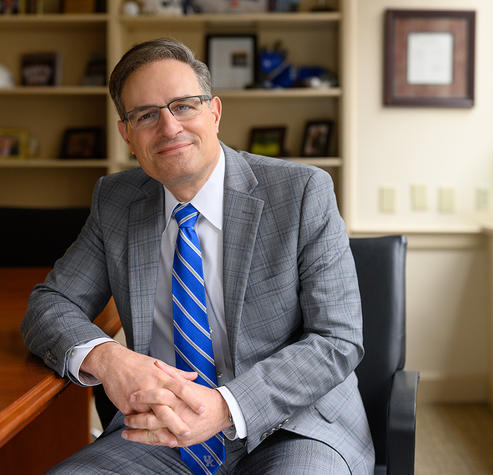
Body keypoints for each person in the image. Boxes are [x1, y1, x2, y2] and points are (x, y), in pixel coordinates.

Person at [21, 38, 374, 474]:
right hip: (162, 432)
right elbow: (50, 304)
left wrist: (226, 407)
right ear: (127, 134)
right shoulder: (116, 200)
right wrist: (108, 359)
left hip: (292, 425)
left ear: (215, 112)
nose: (169, 128)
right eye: (146, 115)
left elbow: (336, 339)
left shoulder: (301, 192)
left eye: (184, 106)